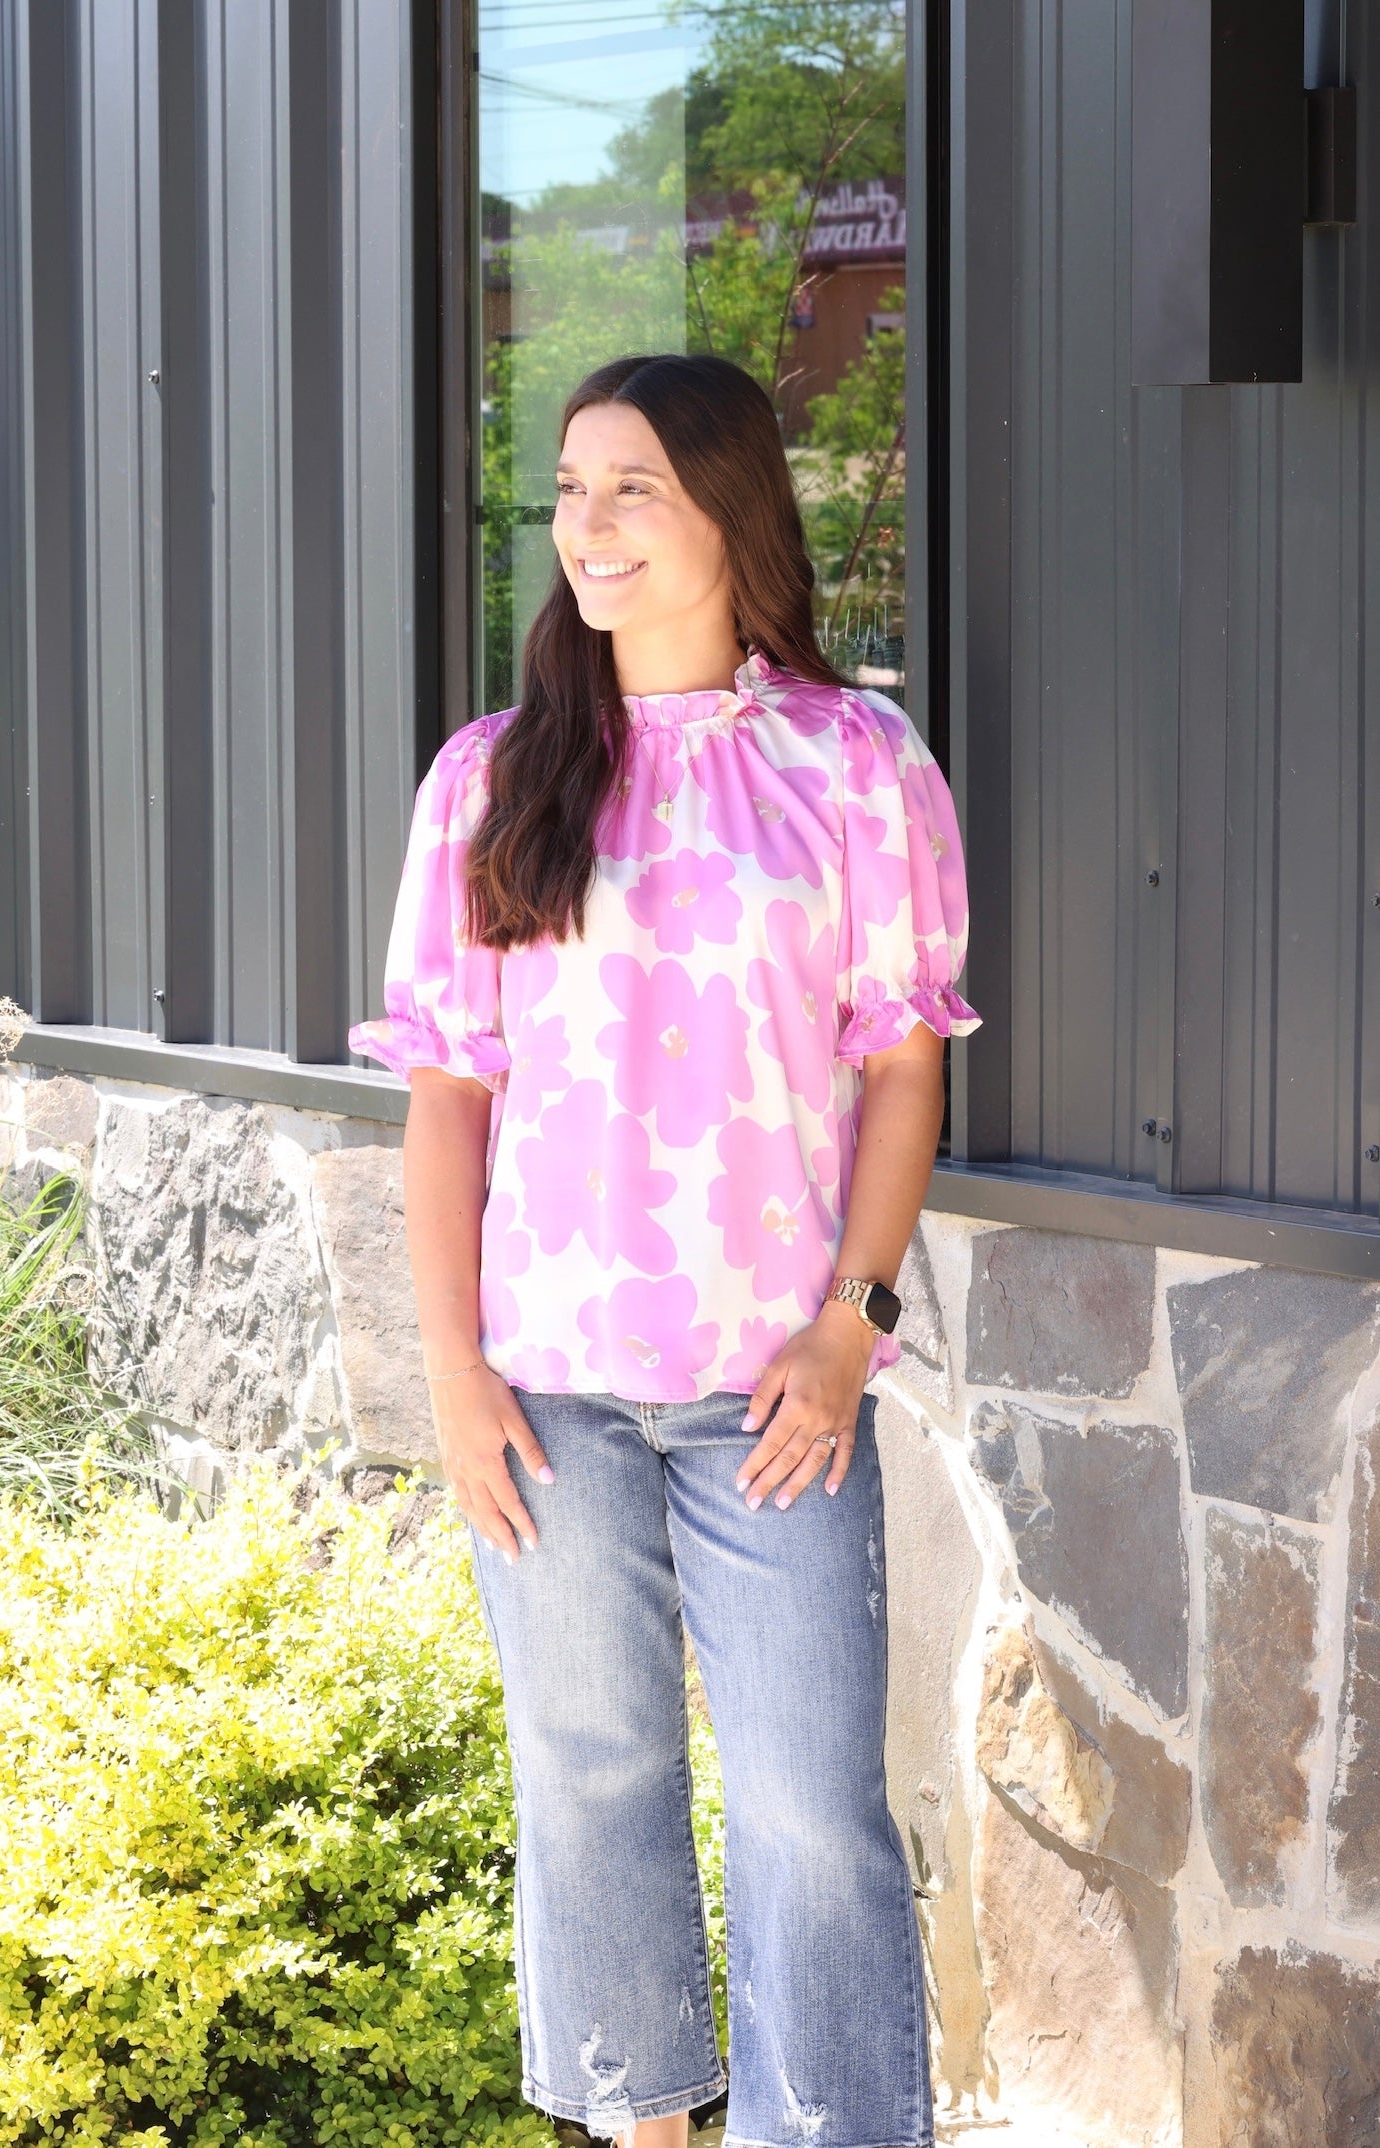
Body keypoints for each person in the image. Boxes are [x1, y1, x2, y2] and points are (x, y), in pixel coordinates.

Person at [349, 351, 979, 2148]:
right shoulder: (492, 777)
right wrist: (453, 1376)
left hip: (766, 1390)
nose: (590, 525)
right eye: (567, 488)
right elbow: (446, 1102)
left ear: (728, 511)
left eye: (632, 486)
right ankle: (642, 2128)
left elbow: (897, 1067)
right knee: (589, 1781)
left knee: (806, 1809)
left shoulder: (855, 761)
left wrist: (852, 1323)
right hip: (547, 1387)